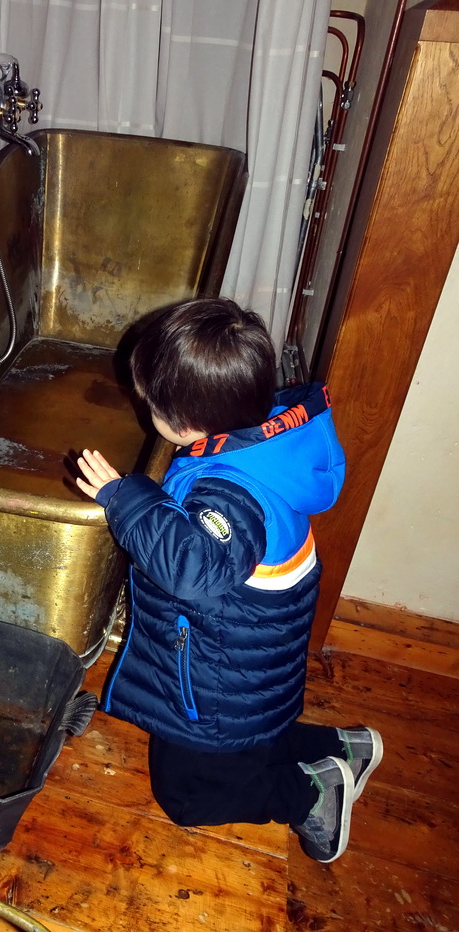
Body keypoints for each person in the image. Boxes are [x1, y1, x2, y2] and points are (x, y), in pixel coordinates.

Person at [75, 297, 383, 863]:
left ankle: (311, 795)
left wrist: (124, 498)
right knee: (249, 742)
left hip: (216, 680)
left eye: (148, 403)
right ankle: (343, 747)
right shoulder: (261, 443)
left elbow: (194, 569)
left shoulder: (228, 492)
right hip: (251, 658)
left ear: (185, 424)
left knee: (187, 793)